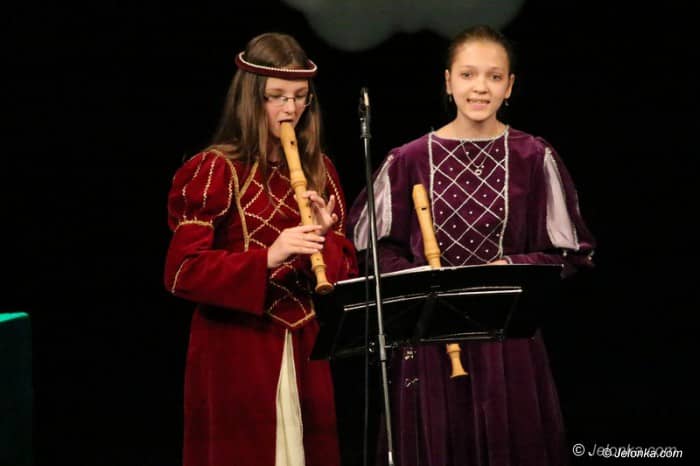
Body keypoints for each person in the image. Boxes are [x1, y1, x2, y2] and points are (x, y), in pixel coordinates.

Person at [347, 24, 596, 466]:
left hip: (507, 341)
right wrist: (421, 278)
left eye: (494, 76)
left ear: (509, 86)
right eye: (467, 74)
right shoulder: (407, 160)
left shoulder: (532, 156)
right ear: (448, 81)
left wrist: (509, 267)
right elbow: (370, 252)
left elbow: (571, 253)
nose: (480, 87)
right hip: (429, 341)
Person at [163, 32, 358, 466]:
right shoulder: (215, 169)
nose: (290, 109)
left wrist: (325, 239)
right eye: (276, 97)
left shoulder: (321, 170)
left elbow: (344, 276)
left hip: (305, 344)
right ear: (251, 97)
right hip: (235, 349)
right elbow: (181, 272)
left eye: (300, 97)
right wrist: (269, 256)